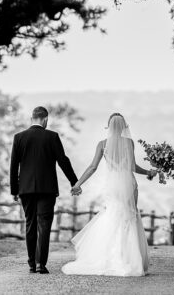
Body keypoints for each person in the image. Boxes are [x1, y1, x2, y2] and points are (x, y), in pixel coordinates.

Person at [62, 113, 158, 277]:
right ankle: (129, 259)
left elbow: (93, 167)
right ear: (123, 127)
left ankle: (108, 257)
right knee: (129, 216)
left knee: (113, 215)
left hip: (113, 185)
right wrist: (149, 171)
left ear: (109, 126)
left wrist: (78, 184)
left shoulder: (102, 144)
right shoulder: (129, 142)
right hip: (128, 183)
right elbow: (132, 167)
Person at [10, 105, 80, 274]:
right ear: (45, 119)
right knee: (45, 225)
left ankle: (31, 264)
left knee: (30, 224)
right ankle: (41, 264)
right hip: (47, 189)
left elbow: (13, 166)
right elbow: (63, 160)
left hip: (25, 189)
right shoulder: (52, 137)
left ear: (31, 118)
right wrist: (74, 182)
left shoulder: (19, 137)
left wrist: (14, 190)